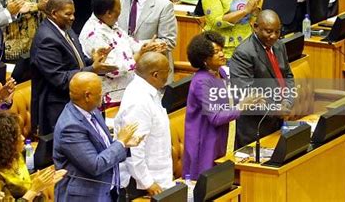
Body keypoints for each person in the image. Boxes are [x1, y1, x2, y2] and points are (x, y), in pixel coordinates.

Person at [30, 0, 117, 136]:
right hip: (57, 107)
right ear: (53, 14)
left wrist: (93, 60)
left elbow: (77, 61)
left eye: (73, 13)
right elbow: (60, 79)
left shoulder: (66, 28)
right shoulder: (46, 39)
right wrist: (93, 69)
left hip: (76, 102)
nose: (72, 18)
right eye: (68, 14)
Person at [54, 72, 143, 202]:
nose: (103, 94)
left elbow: (103, 146)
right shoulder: (70, 127)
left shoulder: (92, 110)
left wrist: (125, 144)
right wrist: (121, 142)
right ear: (87, 96)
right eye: (100, 91)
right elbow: (95, 165)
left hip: (106, 191)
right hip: (85, 197)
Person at [79, 0, 165, 105]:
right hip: (111, 96)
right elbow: (112, 68)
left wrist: (149, 46)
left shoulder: (108, 22)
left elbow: (128, 42)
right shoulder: (94, 34)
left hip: (127, 89)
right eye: (118, 10)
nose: (120, 12)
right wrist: (140, 54)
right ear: (108, 13)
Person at [230, 10, 295, 147]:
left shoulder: (279, 46)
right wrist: (275, 109)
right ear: (255, 27)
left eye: (277, 32)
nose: (273, 36)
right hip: (256, 127)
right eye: (268, 31)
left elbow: (288, 76)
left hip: (280, 122)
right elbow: (246, 92)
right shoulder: (244, 53)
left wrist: (287, 102)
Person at [183, 31, 242, 180]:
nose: (222, 54)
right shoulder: (202, 81)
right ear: (204, 59)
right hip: (204, 141)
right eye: (216, 52)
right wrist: (243, 106)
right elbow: (215, 117)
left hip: (222, 136)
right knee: (208, 185)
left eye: (221, 49)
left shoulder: (221, 72)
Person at [114, 52, 173, 198]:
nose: (169, 75)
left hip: (158, 177)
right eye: (168, 71)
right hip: (142, 185)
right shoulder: (138, 100)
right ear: (155, 74)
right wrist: (148, 183)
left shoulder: (149, 91)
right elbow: (134, 148)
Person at [0, 111, 67, 200]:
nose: (23, 138)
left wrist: (44, 182)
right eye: (17, 136)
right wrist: (34, 190)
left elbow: (25, 186)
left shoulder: (16, 156)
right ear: (4, 144)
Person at [117, 0, 177, 82]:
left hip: (151, 72)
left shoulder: (164, 5)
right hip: (125, 69)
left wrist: (141, 46)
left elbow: (169, 41)